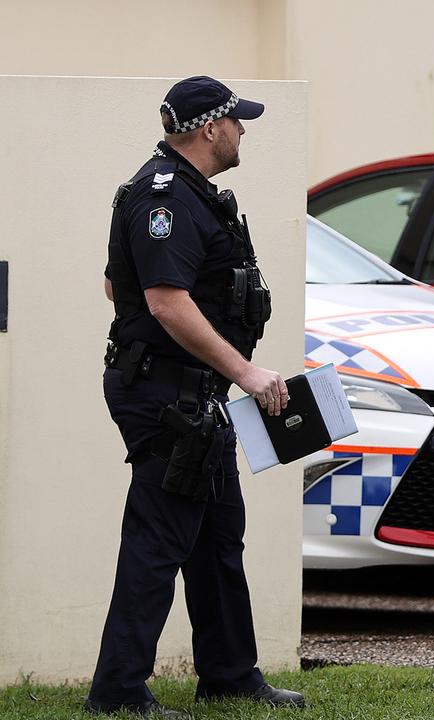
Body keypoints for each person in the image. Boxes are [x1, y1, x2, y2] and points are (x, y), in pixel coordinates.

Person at [88, 76, 304, 716]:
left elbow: (114, 286)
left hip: (191, 393)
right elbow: (163, 300)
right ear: (210, 128)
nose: (243, 130)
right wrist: (247, 372)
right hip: (167, 394)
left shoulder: (188, 196)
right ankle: (119, 691)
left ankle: (230, 672)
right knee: (158, 542)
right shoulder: (167, 198)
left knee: (216, 538)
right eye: (237, 121)